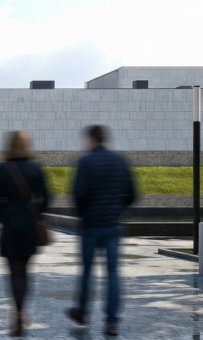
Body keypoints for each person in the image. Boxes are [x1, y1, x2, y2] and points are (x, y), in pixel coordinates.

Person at [67, 125, 137, 337]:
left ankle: (82, 313)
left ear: (92, 139)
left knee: (87, 271)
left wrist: (83, 215)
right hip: (113, 225)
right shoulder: (120, 161)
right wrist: (118, 210)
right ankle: (112, 322)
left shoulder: (85, 162)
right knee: (112, 273)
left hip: (90, 226)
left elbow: (78, 194)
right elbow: (132, 193)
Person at [0, 131, 50, 336]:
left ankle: (16, 313)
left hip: (10, 226)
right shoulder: (35, 168)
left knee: (14, 273)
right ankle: (22, 311)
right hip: (29, 226)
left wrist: (4, 217)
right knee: (25, 272)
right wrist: (37, 214)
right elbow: (46, 198)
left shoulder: (3, 169)